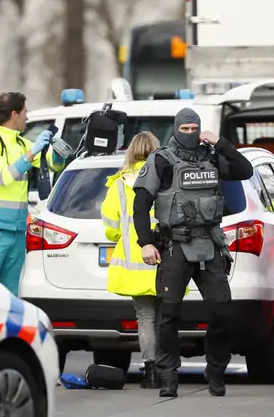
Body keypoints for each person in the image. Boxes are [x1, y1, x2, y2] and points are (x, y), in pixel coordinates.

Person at [133, 108, 253, 398]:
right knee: (169, 314)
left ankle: (216, 371)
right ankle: (168, 376)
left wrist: (221, 143)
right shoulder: (161, 159)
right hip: (174, 245)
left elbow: (245, 171)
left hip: (209, 244)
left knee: (222, 310)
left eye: (193, 129)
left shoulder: (211, 156)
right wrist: (146, 242)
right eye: (184, 129)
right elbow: (141, 204)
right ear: (176, 129)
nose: (189, 134)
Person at [100, 131, 166, 389]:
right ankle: (163, 368)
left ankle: (150, 371)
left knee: (145, 317)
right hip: (164, 257)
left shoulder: (119, 183)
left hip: (133, 260)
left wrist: (124, 236)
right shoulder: (165, 178)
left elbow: (111, 226)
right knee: (162, 317)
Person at [0, 92, 53, 294]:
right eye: (25, 112)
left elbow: (53, 164)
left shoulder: (21, 144)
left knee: (10, 296)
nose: (27, 116)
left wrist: (57, 150)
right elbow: (4, 176)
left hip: (16, 231)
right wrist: (33, 152)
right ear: (14, 114)